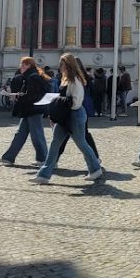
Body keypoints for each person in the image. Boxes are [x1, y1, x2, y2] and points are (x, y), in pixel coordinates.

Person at [30, 53, 103, 184]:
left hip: (74, 116)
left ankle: (95, 168)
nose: (60, 67)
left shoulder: (75, 80)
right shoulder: (65, 79)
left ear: (68, 65)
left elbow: (76, 102)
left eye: (62, 64)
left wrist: (57, 102)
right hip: (65, 115)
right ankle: (44, 175)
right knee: (54, 145)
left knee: (82, 144)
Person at [0, 57, 50, 166]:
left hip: (34, 109)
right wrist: (18, 96)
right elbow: (29, 94)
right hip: (29, 109)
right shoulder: (29, 77)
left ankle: (45, 159)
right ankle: (9, 157)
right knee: (20, 134)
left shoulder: (33, 77)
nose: (20, 67)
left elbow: (32, 96)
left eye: (23, 65)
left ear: (29, 66)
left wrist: (17, 96)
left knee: (37, 135)